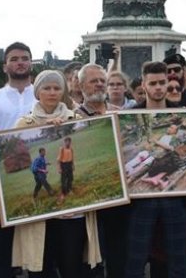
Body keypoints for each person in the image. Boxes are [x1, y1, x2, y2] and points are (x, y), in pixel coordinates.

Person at [12, 69, 98, 278]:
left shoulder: (75, 118)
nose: (52, 92)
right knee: (41, 267)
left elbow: (85, 149)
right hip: (38, 220)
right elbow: (15, 160)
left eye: (57, 88)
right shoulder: (24, 124)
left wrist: (64, 129)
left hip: (71, 216)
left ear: (63, 91)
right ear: (38, 91)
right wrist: (43, 129)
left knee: (72, 265)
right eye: (47, 88)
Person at [125, 61, 186, 278]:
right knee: (135, 259)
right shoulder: (131, 115)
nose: (159, 87)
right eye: (153, 83)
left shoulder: (180, 114)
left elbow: (180, 149)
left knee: (178, 259)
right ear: (144, 85)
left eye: (162, 82)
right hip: (141, 200)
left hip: (174, 194)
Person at [0, 42, 37, 278]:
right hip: (5, 178)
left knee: (38, 245)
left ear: (31, 63)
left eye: (24, 58)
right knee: (3, 247)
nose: (20, 62)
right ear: (5, 66)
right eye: (14, 59)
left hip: (38, 171)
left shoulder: (43, 93)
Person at [75, 64, 131, 278]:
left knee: (119, 255)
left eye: (102, 80)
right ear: (81, 86)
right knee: (91, 259)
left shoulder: (120, 115)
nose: (99, 84)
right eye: (93, 81)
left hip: (119, 198)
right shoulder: (73, 118)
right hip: (89, 199)